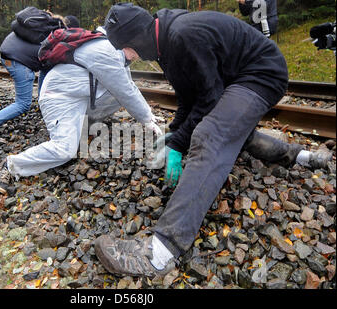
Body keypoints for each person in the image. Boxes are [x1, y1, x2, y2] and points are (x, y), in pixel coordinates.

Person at [93, 3, 334, 278]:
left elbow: (209, 99)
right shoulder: (164, 46)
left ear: (136, 35)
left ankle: (159, 253)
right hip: (237, 78)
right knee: (231, 132)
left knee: (211, 135)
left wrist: (180, 143)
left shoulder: (183, 36)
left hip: (262, 74)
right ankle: (302, 157)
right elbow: (188, 99)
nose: (127, 56)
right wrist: (174, 134)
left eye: (125, 47)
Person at [0, 28, 162, 195]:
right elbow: (124, 90)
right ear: (125, 42)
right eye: (136, 50)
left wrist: (148, 115)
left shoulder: (117, 54)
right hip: (58, 98)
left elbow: (128, 86)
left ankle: (85, 126)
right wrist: (145, 119)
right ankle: (10, 166)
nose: (137, 56)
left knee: (117, 96)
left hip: (77, 98)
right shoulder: (103, 50)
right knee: (65, 150)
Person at [0, 14, 79, 144]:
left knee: (45, 69)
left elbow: (46, 68)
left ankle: (42, 104)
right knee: (23, 104)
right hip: (18, 61)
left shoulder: (45, 27)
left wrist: (44, 100)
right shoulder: (60, 36)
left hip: (6, 53)